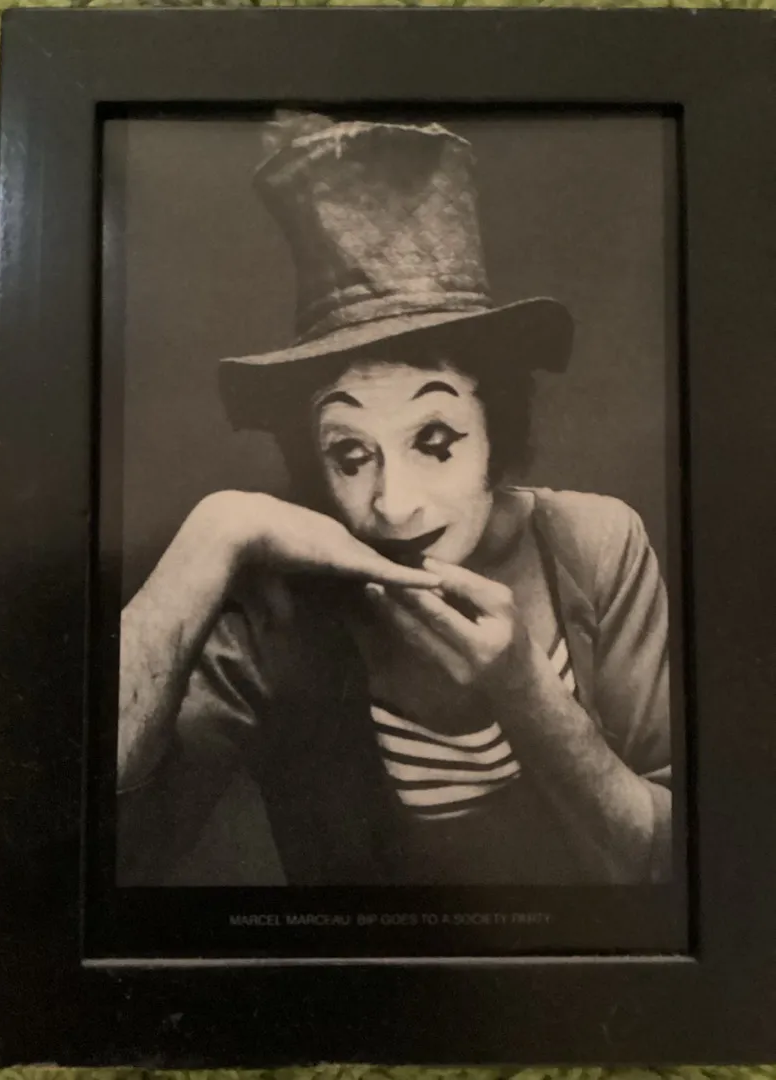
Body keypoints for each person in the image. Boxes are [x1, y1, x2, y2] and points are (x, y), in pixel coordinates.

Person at [117, 112, 672, 887]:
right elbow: (101, 839)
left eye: (435, 440)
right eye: (350, 454)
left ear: (497, 431)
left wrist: (523, 688)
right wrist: (215, 530)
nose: (393, 503)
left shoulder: (597, 543)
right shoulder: (277, 608)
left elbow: (667, 862)